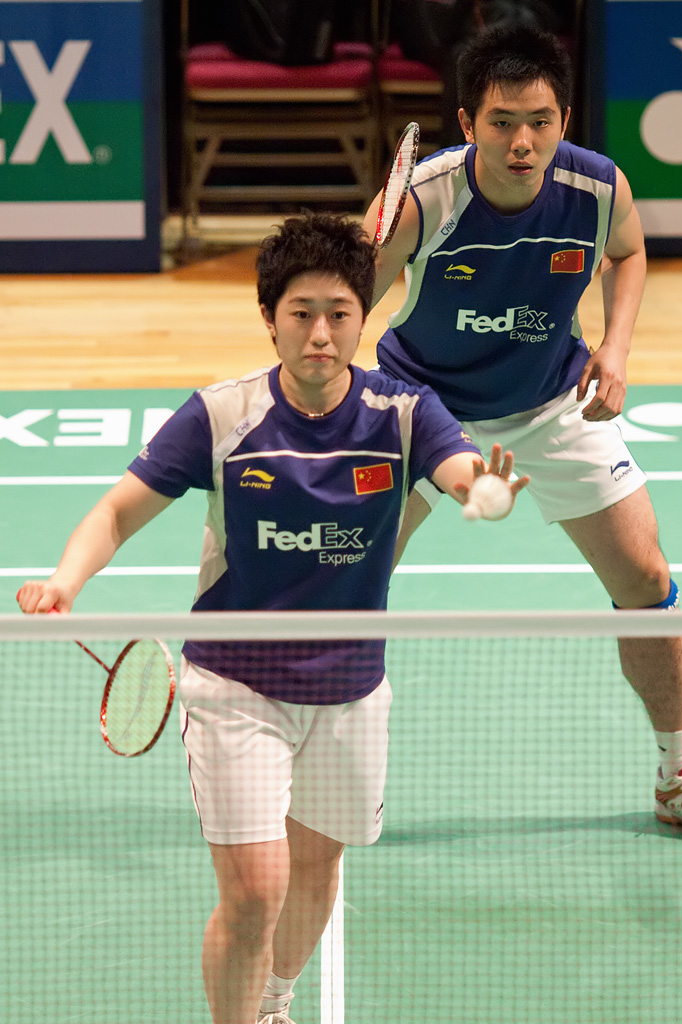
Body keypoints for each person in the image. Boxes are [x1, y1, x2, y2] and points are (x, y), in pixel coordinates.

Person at [16, 213, 529, 1024]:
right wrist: (64, 579)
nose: (321, 333)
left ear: (363, 317)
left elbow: (464, 473)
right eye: (301, 313)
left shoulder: (403, 412)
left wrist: (488, 493)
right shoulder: (223, 417)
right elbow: (116, 511)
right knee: (256, 892)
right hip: (237, 685)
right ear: (270, 318)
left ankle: (274, 1001)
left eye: (339, 313)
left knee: (316, 871)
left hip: (351, 688)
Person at [362, 26, 682, 849]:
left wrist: (616, 347)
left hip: (550, 398)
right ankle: (311, 765)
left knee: (645, 577)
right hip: (423, 403)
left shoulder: (596, 186)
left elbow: (630, 251)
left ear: (564, 118)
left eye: (540, 121)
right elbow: (344, 310)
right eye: (503, 122)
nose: (523, 142)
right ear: (468, 123)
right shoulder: (427, 199)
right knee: (348, 584)